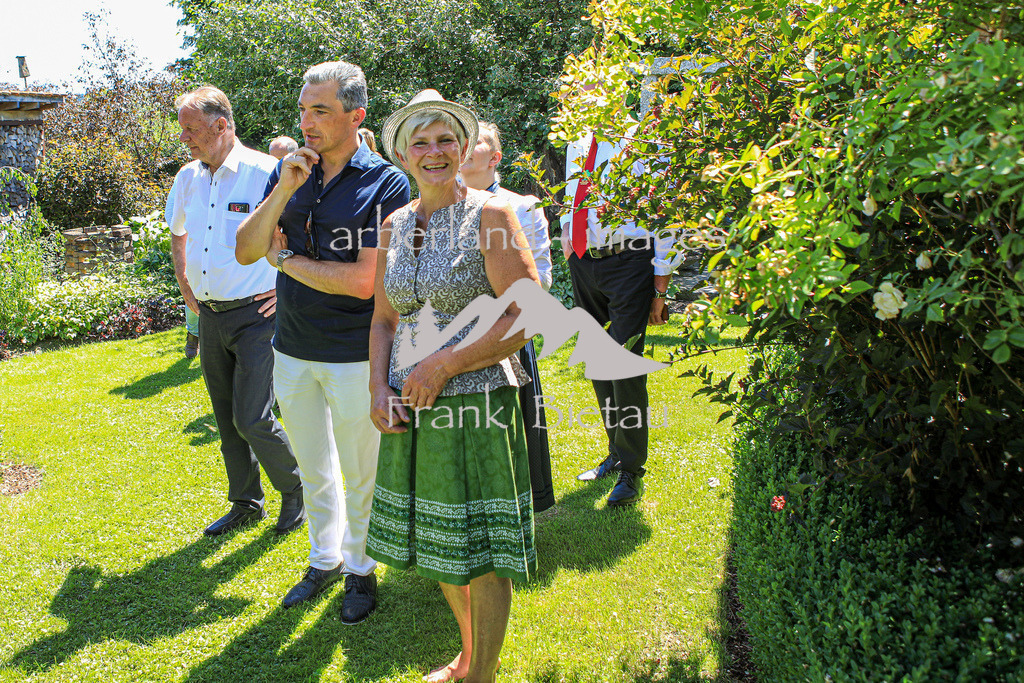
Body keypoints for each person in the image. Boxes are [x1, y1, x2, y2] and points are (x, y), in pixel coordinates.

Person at [367, 90, 540, 683]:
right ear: (402, 154)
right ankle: (469, 657)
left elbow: (524, 316)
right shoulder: (393, 224)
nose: (434, 151)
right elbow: (385, 319)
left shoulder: (491, 217)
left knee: (484, 554)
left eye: (445, 140)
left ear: (464, 148)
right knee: (443, 541)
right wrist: (376, 390)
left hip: (476, 403)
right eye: (421, 142)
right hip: (411, 408)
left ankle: (484, 676)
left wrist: (444, 364)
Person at [235, 61, 410, 623]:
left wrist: (285, 258)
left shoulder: (386, 182)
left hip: (355, 353)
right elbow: (245, 249)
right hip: (291, 347)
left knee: (361, 471)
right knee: (314, 466)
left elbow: (364, 283)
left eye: (321, 111)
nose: (307, 123)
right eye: (304, 110)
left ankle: (361, 569)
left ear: (356, 116)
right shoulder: (290, 172)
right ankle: (324, 558)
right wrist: (284, 186)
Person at [167, 85, 305, 536]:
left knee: (253, 417)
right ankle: (246, 501)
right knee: (226, 418)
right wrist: (186, 285)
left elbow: (303, 238)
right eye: (183, 129)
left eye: (191, 129)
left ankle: (296, 491)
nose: (184, 138)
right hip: (210, 317)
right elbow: (178, 233)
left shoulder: (267, 173)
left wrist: (286, 291)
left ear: (221, 125)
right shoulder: (187, 178)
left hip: (257, 317)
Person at [559, 110, 674, 507]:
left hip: (629, 261)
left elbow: (665, 215)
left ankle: (631, 469)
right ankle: (615, 450)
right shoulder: (576, 139)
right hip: (584, 261)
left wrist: (660, 284)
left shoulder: (642, 141)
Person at [460, 121, 555, 513]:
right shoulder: (439, 207)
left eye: (476, 142)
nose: (465, 147)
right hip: (451, 337)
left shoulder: (523, 207)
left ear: (495, 157)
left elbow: (542, 279)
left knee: (516, 428)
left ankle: (523, 505)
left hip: (508, 335)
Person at [165, 173, 200, 359]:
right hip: (196, 246)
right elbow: (171, 214)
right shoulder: (188, 174)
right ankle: (193, 335)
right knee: (193, 292)